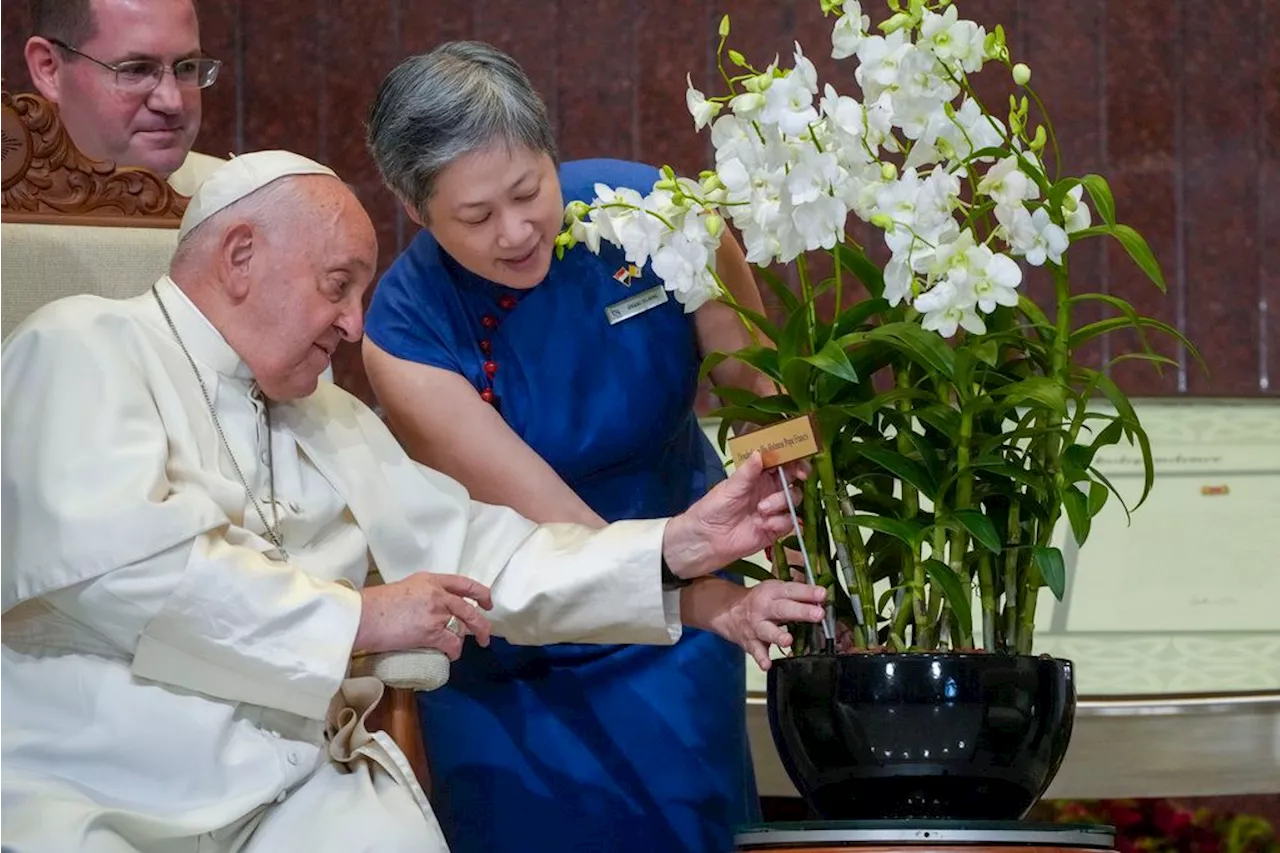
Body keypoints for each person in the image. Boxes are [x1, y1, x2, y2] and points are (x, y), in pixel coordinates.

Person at [0, 150, 828, 853]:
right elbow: (126, 572)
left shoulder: (326, 415)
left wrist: (671, 549)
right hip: (100, 779)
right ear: (240, 255)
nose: (354, 325)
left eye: (360, 292)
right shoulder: (80, 344)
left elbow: (478, 549)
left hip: (294, 791)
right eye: (336, 285)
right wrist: (360, 620)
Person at [362, 42, 785, 853]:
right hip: (520, 630)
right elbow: (556, 531)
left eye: (530, 190)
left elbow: (755, 385)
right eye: (476, 217)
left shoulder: (657, 213)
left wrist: (792, 511)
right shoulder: (406, 332)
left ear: (554, 151)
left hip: (681, 626)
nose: (518, 231)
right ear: (416, 212)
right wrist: (707, 601)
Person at [23, 0, 224, 195]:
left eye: (187, 66)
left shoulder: (236, 196)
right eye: (137, 69)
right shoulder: (10, 215)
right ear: (49, 69)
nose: (172, 102)